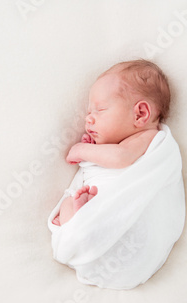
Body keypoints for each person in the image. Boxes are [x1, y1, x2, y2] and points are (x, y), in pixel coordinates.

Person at [52, 59, 171, 226]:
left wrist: (82, 150)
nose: (88, 118)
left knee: (68, 204)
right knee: (68, 203)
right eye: (89, 112)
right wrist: (95, 152)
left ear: (140, 114)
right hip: (102, 208)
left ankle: (78, 221)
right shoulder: (124, 142)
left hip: (123, 214)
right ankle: (77, 223)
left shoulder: (150, 137)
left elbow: (120, 157)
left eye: (100, 110)